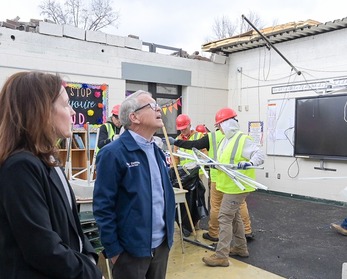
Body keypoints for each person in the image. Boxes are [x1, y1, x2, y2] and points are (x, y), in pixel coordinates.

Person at [0, 71, 103, 278]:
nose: (73, 112)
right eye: (65, 105)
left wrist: (90, 259)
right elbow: (42, 248)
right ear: (41, 111)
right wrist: (89, 272)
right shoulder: (20, 167)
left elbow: (73, 228)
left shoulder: (48, 160)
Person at [93, 90, 176, 279]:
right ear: (134, 117)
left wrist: (167, 239)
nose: (159, 110)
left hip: (161, 246)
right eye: (152, 106)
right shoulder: (113, 154)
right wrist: (114, 251)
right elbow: (103, 206)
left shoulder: (156, 150)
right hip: (130, 252)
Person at [168, 115, 255, 242]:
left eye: (184, 128)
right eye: (180, 129)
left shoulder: (209, 136)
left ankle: (215, 233)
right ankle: (246, 232)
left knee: (217, 206)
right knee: (238, 206)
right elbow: (176, 157)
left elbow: (197, 146)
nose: (182, 131)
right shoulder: (241, 137)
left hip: (214, 175)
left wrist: (176, 143)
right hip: (231, 177)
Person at [202, 107, 264, 267]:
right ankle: (240, 248)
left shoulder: (243, 139)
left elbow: (259, 155)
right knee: (234, 217)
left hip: (238, 186)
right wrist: (214, 164)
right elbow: (226, 161)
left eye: (220, 125)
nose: (219, 129)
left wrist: (249, 163)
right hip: (229, 186)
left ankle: (221, 255)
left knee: (224, 217)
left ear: (228, 123)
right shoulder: (225, 140)